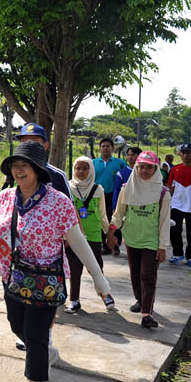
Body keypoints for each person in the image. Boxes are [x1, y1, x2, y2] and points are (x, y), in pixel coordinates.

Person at [0, 141, 110, 382]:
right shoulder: (5, 198)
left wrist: (99, 279)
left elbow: (78, 243)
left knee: (35, 333)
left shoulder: (59, 202)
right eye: (14, 166)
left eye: (24, 166)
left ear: (38, 170)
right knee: (17, 326)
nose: (18, 171)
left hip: (46, 280)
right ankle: (44, 352)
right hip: (12, 276)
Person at [10, 122, 71, 352]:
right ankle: (28, 333)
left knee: (47, 298)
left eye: (34, 142)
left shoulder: (57, 176)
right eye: (24, 142)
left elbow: (69, 215)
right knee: (23, 295)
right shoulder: (15, 173)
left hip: (49, 253)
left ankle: (46, 334)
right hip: (22, 251)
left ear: (45, 145)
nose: (28, 146)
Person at [106, 151, 171, 328]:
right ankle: (140, 300)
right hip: (131, 238)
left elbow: (165, 222)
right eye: (141, 166)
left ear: (156, 169)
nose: (144, 170)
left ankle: (147, 313)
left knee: (147, 276)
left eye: (149, 167)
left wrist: (163, 246)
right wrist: (111, 232)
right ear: (136, 167)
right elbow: (119, 213)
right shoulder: (127, 188)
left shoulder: (162, 193)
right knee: (135, 273)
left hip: (152, 241)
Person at [65, 156, 115, 313]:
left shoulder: (98, 190)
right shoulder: (68, 189)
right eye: (78, 168)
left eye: (85, 168)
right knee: (74, 269)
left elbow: (102, 214)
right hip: (73, 236)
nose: (81, 171)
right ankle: (74, 300)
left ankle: (105, 294)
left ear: (91, 170)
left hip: (93, 235)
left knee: (96, 267)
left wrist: (109, 233)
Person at [93, 138, 127, 255]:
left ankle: (116, 245)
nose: (105, 148)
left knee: (114, 220)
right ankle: (105, 245)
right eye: (103, 146)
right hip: (98, 195)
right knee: (102, 219)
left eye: (108, 146)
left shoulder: (120, 163)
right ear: (100, 148)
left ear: (112, 148)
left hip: (114, 195)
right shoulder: (93, 163)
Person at [112, 146, 143, 210]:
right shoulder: (121, 173)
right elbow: (117, 191)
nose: (130, 157)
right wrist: (115, 207)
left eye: (133, 155)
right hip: (126, 206)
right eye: (128, 155)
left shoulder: (145, 173)